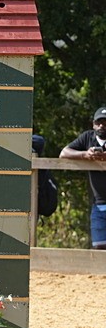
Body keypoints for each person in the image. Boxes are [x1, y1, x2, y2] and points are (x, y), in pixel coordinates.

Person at [59, 106, 106, 250]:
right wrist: (85, 155)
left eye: (105, 122)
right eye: (99, 122)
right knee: (99, 247)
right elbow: (64, 153)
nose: (102, 125)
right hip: (98, 203)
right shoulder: (87, 137)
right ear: (93, 124)